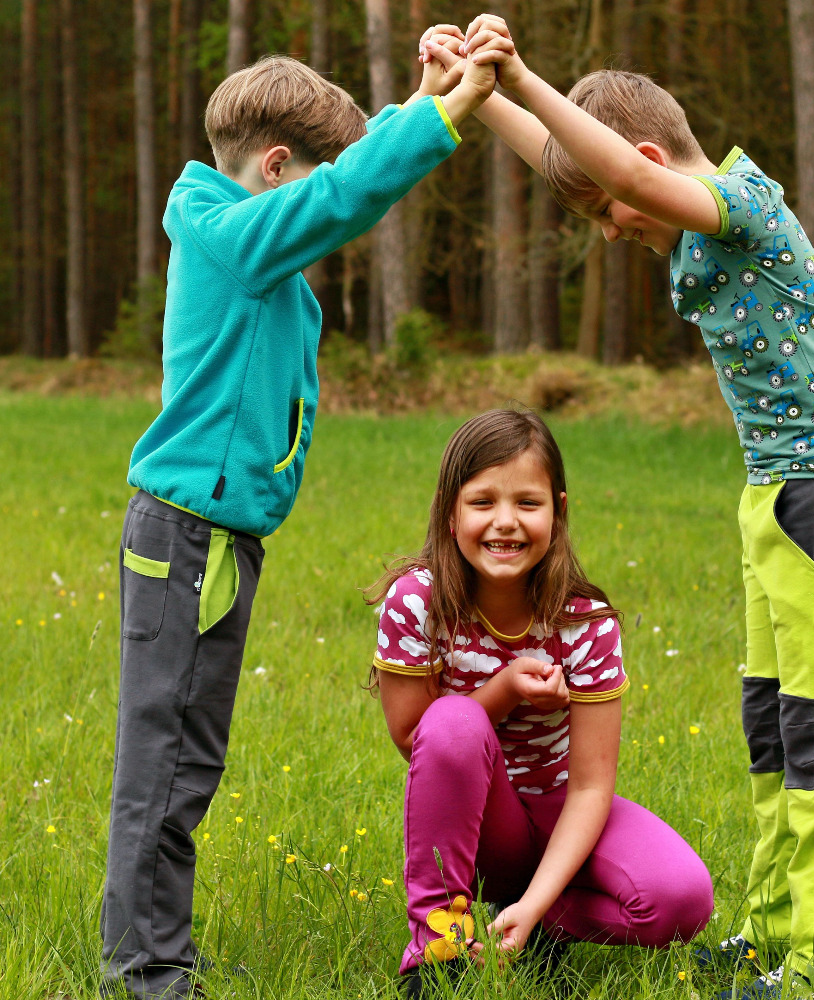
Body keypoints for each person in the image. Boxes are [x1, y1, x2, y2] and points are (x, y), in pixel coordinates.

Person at [420, 17, 814, 1000]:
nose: (611, 230)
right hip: (774, 488)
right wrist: (472, 93)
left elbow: (633, 184)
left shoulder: (737, 204)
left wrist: (523, 70)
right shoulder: (682, 209)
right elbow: (589, 170)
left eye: (608, 207)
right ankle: (775, 934)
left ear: (641, 159)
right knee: (770, 725)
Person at [100, 51, 497, 1000]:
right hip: (186, 540)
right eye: (311, 183)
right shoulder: (225, 234)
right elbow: (344, 199)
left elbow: (338, 189)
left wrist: (425, 94)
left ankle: (160, 953)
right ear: (274, 167)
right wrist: (444, 116)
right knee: (163, 763)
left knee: (188, 755)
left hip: (210, 540)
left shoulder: (237, 243)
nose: (323, 218)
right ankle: (144, 972)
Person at [368, 408, 713, 998]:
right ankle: (438, 948)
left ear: (558, 511)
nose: (506, 523)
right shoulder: (417, 600)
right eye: (483, 503)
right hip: (475, 827)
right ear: (450, 513)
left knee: (681, 899)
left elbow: (589, 788)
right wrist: (502, 690)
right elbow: (413, 735)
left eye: (528, 503)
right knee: (453, 720)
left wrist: (535, 903)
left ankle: (532, 927)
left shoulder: (587, 621)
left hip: (561, 812)